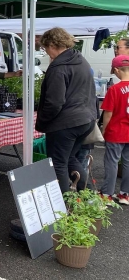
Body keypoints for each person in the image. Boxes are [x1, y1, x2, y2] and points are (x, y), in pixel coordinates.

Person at [35, 27, 97, 193]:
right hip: (86, 119)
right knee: (69, 158)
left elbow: (54, 102)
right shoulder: (81, 60)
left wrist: (42, 121)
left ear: (53, 44)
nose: (47, 53)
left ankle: (63, 208)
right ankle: (87, 196)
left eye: (46, 48)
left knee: (58, 163)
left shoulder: (59, 67)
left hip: (66, 123)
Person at [99, 55, 129, 204]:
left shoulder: (115, 89)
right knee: (128, 163)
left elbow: (108, 113)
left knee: (111, 162)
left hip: (116, 132)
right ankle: (125, 194)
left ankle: (107, 194)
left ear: (117, 70)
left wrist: (104, 130)